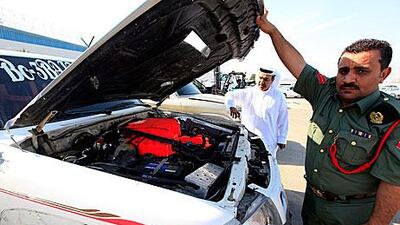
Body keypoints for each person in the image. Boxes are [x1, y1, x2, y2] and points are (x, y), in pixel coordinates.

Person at [256, 9, 400, 225]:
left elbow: (393, 183)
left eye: (361, 71)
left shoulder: (392, 118)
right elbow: (298, 65)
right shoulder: (326, 92)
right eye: (343, 70)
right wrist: (273, 32)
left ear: (383, 74)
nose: (348, 78)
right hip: (313, 206)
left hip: (351, 215)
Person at [225, 67, 288, 157]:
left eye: (266, 79)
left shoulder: (279, 96)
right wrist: (231, 106)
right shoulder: (249, 92)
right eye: (260, 78)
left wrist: (282, 138)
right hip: (248, 138)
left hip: (268, 139)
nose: (262, 82)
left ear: (272, 80)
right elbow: (229, 95)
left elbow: (283, 119)